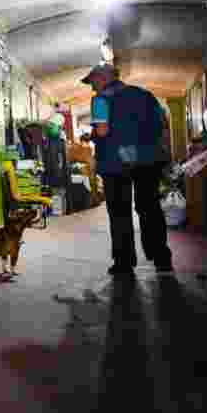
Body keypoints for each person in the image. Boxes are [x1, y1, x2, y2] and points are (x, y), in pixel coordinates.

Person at [82, 63, 173, 276]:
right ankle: (161, 258)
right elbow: (162, 125)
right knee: (149, 207)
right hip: (148, 160)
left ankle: (124, 263)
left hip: (115, 163)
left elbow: (102, 131)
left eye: (92, 82)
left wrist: (92, 135)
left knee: (120, 212)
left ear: (102, 78)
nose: (92, 88)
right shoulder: (144, 95)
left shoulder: (100, 100)